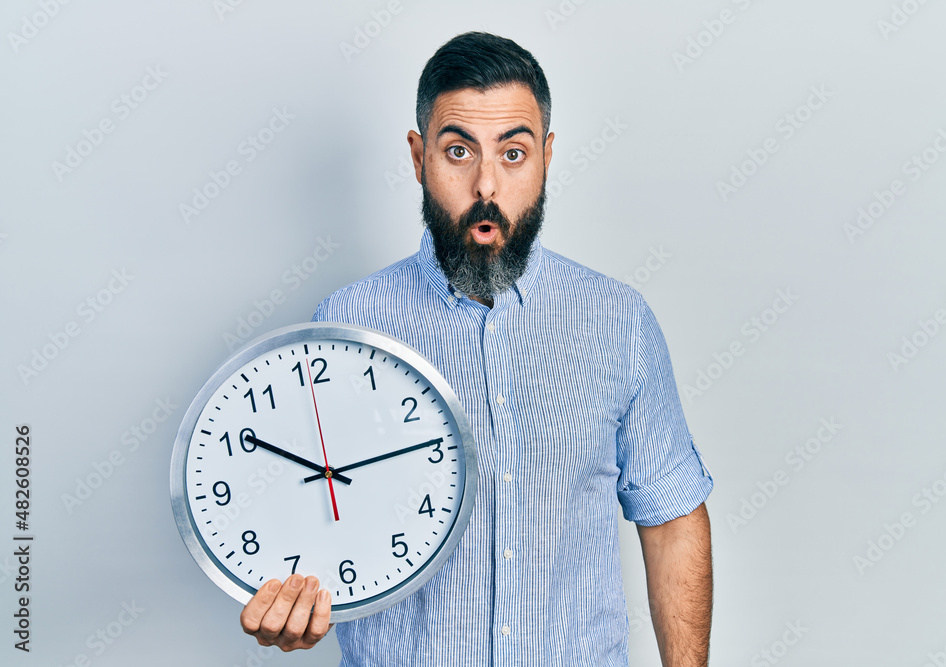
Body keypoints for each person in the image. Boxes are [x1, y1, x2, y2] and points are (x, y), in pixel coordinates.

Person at [239, 31, 714, 666]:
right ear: (417, 157)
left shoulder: (615, 320)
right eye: (458, 151)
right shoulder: (351, 323)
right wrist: (293, 602)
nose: (486, 185)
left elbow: (673, 519)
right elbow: (317, 517)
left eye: (513, 154)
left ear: (546, 156)